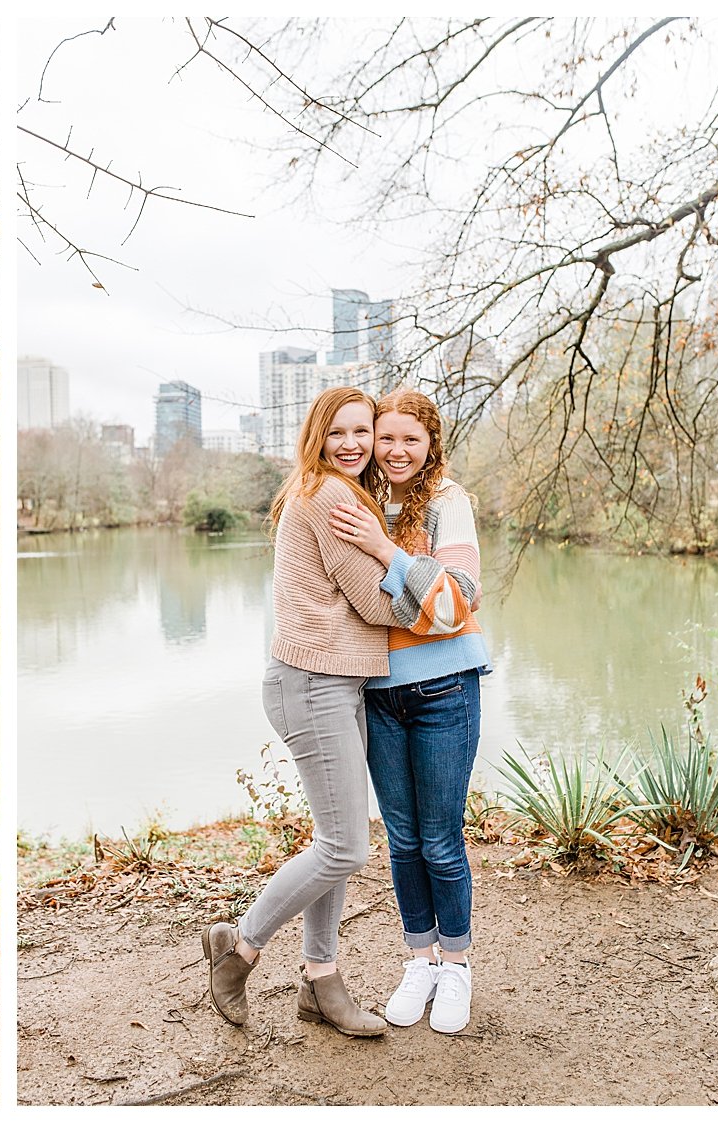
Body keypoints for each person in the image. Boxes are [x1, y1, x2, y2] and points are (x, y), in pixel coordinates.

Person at [202, 386, 413, 1037]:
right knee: (346, 844)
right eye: (339, 431)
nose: (352, 443)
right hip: (312, 682)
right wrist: (395, 561)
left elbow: (365, 604)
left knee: (336, 840)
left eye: (363, 431)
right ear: (318, 435)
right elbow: (380, 607)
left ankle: (321, 981)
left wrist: (387, 557)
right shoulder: (329, 497)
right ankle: (239, 949)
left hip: (335, 682)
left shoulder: (334, 491)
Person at [327, 387, 491, 1034]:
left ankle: (456, 965)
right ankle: (418, 958)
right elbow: (350, 602)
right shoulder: (352, 496)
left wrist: (387, 551)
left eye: (408, 439)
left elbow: (456, 605)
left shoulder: (449, 500)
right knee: (401, 841)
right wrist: (416, 590)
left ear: (430, 445)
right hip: (377, 692)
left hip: (446, 690)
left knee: (442, 842)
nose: (393, 451)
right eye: (383, 437)